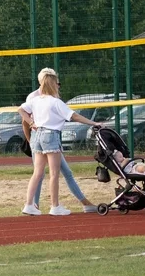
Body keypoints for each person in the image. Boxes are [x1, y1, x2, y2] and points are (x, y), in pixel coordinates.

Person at [19, 69, 101, 216]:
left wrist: (31, 122)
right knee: (54, 173)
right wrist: (94, 123)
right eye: (57, 84)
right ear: (53, 85)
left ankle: (29, 204)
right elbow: (74, 116)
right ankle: (55, 206)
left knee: (37, 173)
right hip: (51, 135)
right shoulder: (56, 102)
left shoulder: (35, 100)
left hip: (37, 135)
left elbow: (20, 110)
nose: (58, 86)